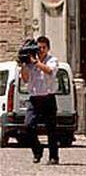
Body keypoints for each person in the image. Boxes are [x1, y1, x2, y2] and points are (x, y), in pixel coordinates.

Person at [20, 36, 59, 165]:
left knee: (51, 129)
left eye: (44, 48)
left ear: (48, 48)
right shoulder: (30, 62)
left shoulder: (52, 60)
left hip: (48, 98)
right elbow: (25, 79)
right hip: (34, 98)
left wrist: (36, 62)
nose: (41, 50)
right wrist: (24, 64)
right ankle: (37, 150)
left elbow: (49, 71)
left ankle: (53, 157)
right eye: (39, 48)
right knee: (28, 125)